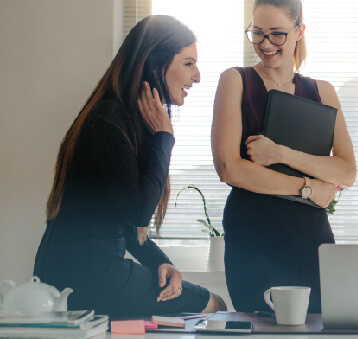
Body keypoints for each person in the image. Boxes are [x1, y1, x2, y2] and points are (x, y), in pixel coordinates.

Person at [34, 15, 226, 317]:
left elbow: (127, 224)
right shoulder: (110, 119)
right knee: (214, 304)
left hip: (71, 270)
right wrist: (164, 138)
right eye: (188, 64)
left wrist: (163, 263)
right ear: (154, 63)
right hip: (90, 274)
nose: (198, 76)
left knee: (198, 302)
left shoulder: (116, 117)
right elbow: (138, 210)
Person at [211, 0, 356, 313]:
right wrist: (307, 187)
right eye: (258, 34)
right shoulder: (234, 80)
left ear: (299, 31)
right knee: (257, 326)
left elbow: (345, 172)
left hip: (310, 238)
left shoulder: (323, 91)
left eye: (277, 34)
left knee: (316, 326)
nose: (265, 44)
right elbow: (229, 169)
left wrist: (280, 153)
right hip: (252, 234)